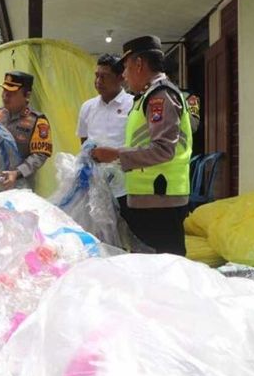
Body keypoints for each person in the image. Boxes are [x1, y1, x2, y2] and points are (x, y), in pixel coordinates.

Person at [92, 35, 192, 256]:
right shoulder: (146, 97)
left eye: (126, 67)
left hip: (161, 197)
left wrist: (115, 155)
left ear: (139, 64)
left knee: (167, 266)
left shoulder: (160, 97)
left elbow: (164, 149)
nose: (125, 76)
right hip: (150, 196)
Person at [76, 53, 134, 211]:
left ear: (120, 77)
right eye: (97, 76)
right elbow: (85, 142)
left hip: (126, 186)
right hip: (94, 185)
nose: (98, 82)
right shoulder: (87, 107)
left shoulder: (133, 105)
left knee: (124, 232)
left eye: (104, 77)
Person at [0, 71, 53, 190]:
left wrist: (16, 173)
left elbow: (40, 155)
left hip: (19, 188)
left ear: (27, 95)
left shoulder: (37, 121)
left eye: (12, 92)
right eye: (4, 90)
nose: (5, 96)